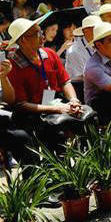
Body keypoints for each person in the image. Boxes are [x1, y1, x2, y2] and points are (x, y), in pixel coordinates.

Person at [2, 17, 88, 151]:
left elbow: (65, 81)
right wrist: (59, 109)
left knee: (86, 119)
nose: (42, 37)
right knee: (55, 136)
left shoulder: (49, 54)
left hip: (54, 104)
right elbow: (21, 104)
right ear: (23, 40)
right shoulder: (13, 66)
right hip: (31, 115)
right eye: (37, 34)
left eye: (41, 32)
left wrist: (73, 99)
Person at [65, 15, 102, 101]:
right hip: (82, 92)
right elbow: (85, 77)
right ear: (86, 31)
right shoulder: (74, 51)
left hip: (100, 85)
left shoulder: (100, 43)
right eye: (96, 28)